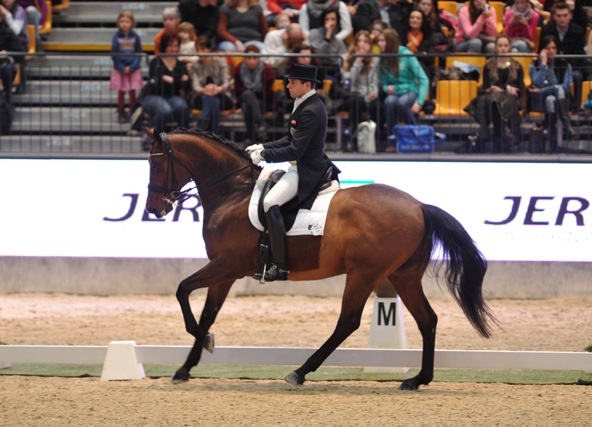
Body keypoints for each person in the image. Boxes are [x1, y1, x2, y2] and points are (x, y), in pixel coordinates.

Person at [244, 63, 340, 282]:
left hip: (307, 170)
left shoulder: (312, 110)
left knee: (270, 202)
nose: (287, 86)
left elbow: (296, 149)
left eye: (292, 82)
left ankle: (279, 264)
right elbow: (289, 138)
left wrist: (265, 156)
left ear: (307, 85)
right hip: (299, 165)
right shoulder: (303, 103)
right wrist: (263, 147)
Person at [464, 35, 524, 153]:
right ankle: (500, 137)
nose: (502, 48)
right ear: (495, 48)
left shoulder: (517, 66)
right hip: (491, 97)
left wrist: (502, 90)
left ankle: (495, 136)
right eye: (500, 46)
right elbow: (487, 87)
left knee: (497, 102)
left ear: (510, 47)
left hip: (510, 100)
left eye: (505, 46)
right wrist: (505, 89)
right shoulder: (488, 65)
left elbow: (520, 91)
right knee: (492, 101)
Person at [378, 28, 429, 151]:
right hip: (395, 92)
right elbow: (384, 82)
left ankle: (416, 136)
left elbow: (423, 79)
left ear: (390, 42)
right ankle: (392, 140)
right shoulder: (383, 59)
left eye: (382, 41)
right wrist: (386, 88)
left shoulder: (406, 54)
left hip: (411, 90)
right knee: (389, 102)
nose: (379, 44)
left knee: (402, 103)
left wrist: (419, 102)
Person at [141, 32, 191, 148]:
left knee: (182, 107)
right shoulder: (156, 62)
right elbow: (157, 83)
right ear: (164, 46)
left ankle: (183, 139)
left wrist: (170, 80)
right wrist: (178, 81)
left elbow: (187, 85)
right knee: (164, 110)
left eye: (175, 45)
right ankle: (151, 138)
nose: (173, 49)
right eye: (170, 45)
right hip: (153, 96)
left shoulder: (181, 64)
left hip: (173, 96)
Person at [529, 34, 576, 152]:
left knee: (551, 99)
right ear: (542, 50)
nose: (551, 51)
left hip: (558, 100)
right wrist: (544, 65)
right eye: (547, 48)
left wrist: (546, 89)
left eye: (554, 48)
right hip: (539, 99)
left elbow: (565, 88)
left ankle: (549, 131)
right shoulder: (534, 65)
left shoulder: (565, 65)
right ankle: (567, 125)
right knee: (554, 91)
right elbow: (537, 83)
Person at [539, 2, 587, 109]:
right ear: (554, 17)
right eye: (559, 16)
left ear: (570, 16)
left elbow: (580, 54)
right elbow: (541, 50)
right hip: (553, 66)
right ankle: (549, 109)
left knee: (577, 75)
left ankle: (576, 107)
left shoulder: (578, 31)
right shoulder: (547, 30)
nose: (562, 19)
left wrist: (566, 64)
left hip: (572, 66)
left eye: (565, 15)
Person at [341, 29, 379, 151]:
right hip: (350, 95)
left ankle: (373, 142)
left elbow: (374, 82)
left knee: (378, 106)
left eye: (366, 41)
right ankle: (352, 139)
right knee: (356, 101)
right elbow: (349, 80)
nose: (362, 44)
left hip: (366, 97)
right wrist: (358, 61)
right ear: (355, 44)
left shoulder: (375, 60)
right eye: (360, 41)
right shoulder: (345, 58)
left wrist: (374, 92)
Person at [190, 36, 233, 134]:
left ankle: (203, 126)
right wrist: (204, 90)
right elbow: (195, 85)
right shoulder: (195, 65)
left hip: (222, 95)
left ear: (209, 49)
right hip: (201, 97)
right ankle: (215, 134)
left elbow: (226, 81)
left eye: (203, 49)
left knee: (213, 99)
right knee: (212, 100)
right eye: (198, 50)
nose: (200, 52)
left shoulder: (220, 61)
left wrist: (218, 88)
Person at [233, 44, 275, 144]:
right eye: (248, 58)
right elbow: (238, 90)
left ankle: (250, 137)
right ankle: (260, 124)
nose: (251, 61)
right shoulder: (239, 68)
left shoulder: (266, 70)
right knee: (248, 94)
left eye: (254, 58)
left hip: (262, 100)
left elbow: (268, 92)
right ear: (244, 58)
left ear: (259, 58)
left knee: (248, 106)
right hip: (244, 98)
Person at [109, 10, 144, 124]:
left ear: (132, 23)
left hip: (132, 68)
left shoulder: (135, 36)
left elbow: (139, 53)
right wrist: (121, 68)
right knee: (122, 91)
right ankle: (121, 111)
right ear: (118, 23)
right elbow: (114, 54)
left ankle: (133, 112)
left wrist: (133, 67)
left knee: (132, 91)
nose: (124, 24)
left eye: (127, 21)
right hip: (121, 69)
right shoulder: (116, 37)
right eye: (122, 21)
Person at [308, 8, 348, 80]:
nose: (330, 23)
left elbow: (343, 60)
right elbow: (319, 56)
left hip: (334, 72)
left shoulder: (338, 41)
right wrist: (328, 35)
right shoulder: (314, 33)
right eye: (327, 19)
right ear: (323, 21)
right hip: (317, 71)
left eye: (333, 19)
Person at [0, 7, 25, 104]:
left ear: (1, 17)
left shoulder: (9, 32)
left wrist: (7, 53)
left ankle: (7, 101)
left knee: (7, 70)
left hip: (5, 63)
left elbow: (19, 54)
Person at [400, 8, 436, 73]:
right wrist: (421, 54)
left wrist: (409, 54)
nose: (414, 20)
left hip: (423, 69)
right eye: (412, 17)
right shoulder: (402, 36)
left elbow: (430, 58)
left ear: (422, 21)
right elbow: (399, 56)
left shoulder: (428, 38)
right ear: (408, 20)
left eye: (418, 18)